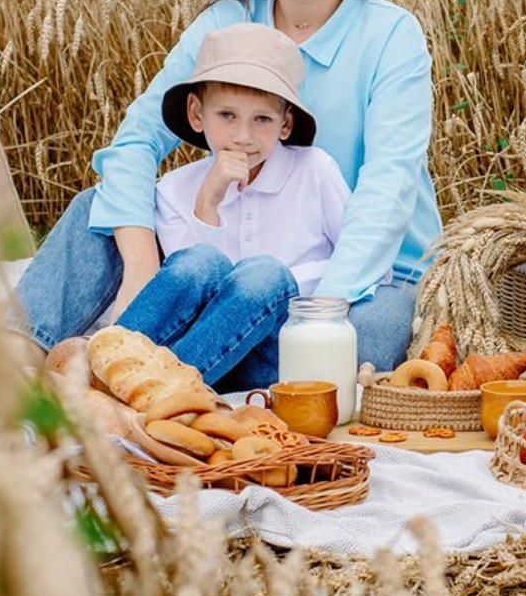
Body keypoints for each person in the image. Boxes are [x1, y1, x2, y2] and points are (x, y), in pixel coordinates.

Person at [17, 0, 441, 372]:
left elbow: (389, 187)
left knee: (366, 343)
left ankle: (171, 368)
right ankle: (11, 356)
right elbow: (136, 141)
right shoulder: (227, 21)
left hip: (364, 272)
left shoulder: (390, 34)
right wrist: (142, 264)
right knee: (94, 211)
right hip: (233, 252)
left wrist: (320, 315)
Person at [112, 21, 355, 390]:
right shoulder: (176, 189)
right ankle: (107, 371)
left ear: (285, 124)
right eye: (227, 116)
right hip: (202, 351)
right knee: (199, 262)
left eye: (262, 119)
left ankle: (162, 396)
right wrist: (207, 202)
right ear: (196, 114)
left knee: (265, 274)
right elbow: (190, 295)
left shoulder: (315, 171)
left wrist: (288, 282)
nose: (243, 137)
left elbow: (361, 262)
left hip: (275, 354)